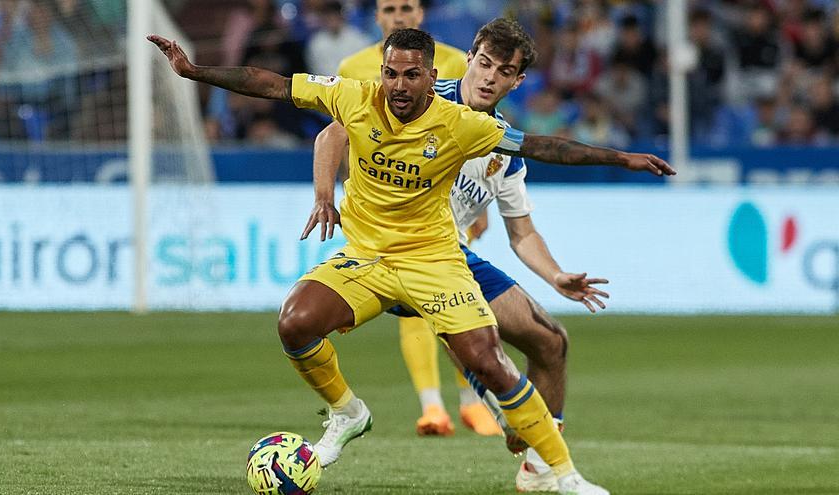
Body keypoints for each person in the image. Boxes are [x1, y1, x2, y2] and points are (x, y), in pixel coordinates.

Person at [149, 27, 674, 495]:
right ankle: (349, 413)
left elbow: (541, 147)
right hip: (368, 257)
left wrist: (620, 157)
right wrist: (195, 73)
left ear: (430, 77)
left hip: (435, 259)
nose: (399, 86)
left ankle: (561, 474)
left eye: (411, 76)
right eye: (391, 74)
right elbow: (272, 84)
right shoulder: (356, 97)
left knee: (512, 352)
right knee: (295, 322)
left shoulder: (467, 127)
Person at [302, 18, 609, 492]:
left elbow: (522, 232)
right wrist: (327, 194)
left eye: (503, 71)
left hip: (455, 255)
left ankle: (537, 463)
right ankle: (501, 413)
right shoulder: (418, 91)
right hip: (402, 253)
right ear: (469, 59)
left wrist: (556, 276)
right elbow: (333, 134)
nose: (490, 77)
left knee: (552, 343)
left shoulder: (504, 145)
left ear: (516, 80)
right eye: (484, 63)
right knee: (468, 336)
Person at [330, 0, 498, 439]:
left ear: (420, 14)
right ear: (378, 18)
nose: (398, 15)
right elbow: (339, 134)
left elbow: (476, 135)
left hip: (444, 204)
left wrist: (479, 205)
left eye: (407, 6)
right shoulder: (353, 66)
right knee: (412, 312)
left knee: (454, 305)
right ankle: (432, 406)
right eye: (389, 8)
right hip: (378, 207)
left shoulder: (453, 60)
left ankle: (470, 401)